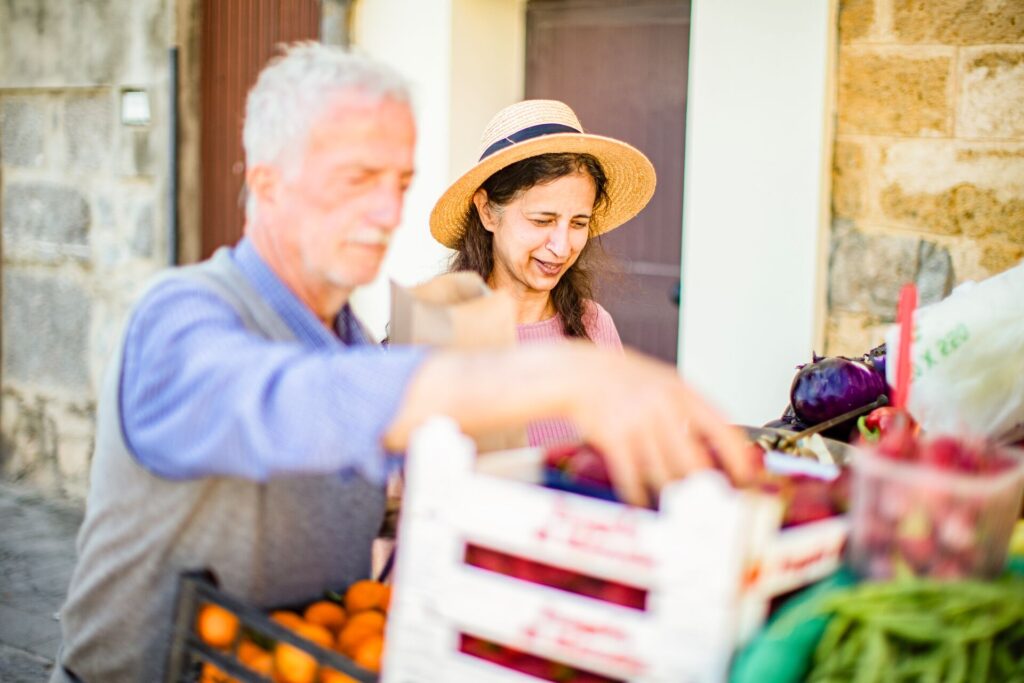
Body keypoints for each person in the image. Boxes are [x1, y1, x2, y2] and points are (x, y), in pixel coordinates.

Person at [51, 44, 753, 682]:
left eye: (400, 180)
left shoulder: (351, 341)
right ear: (267, 184)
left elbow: (378, 504)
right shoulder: (179, 315)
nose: (388, 210)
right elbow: (285, 402)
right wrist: (559, 374)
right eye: (357, 177)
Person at [431, 99, 654, 446]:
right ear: (488, 211)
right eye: (542, 220)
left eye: (578, 223)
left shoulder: (594, 325)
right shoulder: (436, 326)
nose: (562, 247)